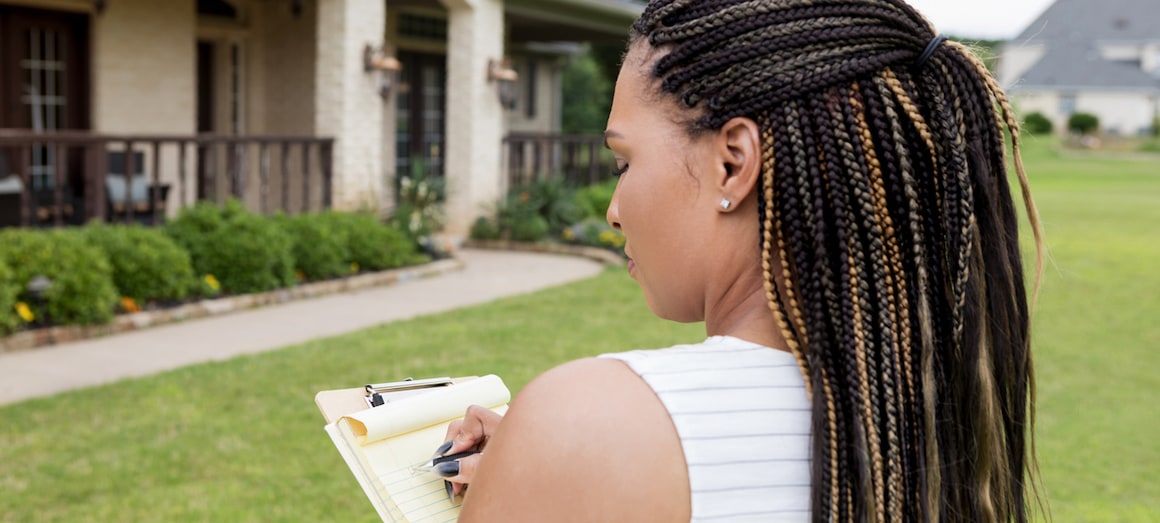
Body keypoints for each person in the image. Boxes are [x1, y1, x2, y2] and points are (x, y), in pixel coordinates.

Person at [438, 0, 1045, 521]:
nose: (614, 211)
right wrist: (535, 464)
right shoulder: (937, 421)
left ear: (733, 162)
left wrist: (546, 456)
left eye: (624, 163)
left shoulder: (581, 423)